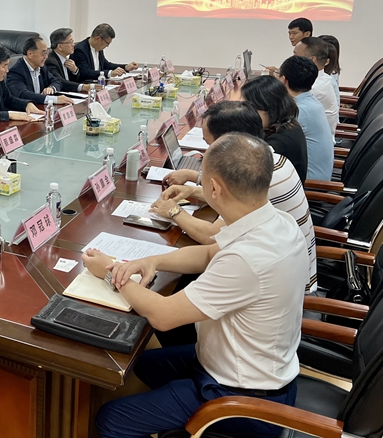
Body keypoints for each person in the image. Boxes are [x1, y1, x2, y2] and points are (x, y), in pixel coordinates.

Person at [85, 133, 309, 438]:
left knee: (111, 420)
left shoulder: (247, 259)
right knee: (141, 365)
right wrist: (152, 261)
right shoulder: (277, 221)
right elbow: (207, 253)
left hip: (241, 399)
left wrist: (111, 273)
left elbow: (163, 316)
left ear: (214, 188)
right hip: (253, 368)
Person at [151, 101, 316, 294]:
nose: (207, 152)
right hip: (285, 274)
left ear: (227, 144)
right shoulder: (269, 161)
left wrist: (173, 211)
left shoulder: (256, 177)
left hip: (282, 286)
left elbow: (211, 237)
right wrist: (193, 191)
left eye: (209, 144)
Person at [240, 75, 308, 184]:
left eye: (250, 109)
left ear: (269, 108)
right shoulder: (288, 124)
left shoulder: (278, 144)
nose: (247, 114)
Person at [279, 56, 334, 181]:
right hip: (315, 175)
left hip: (310, 183)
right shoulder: (311, 102)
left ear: (283, 80)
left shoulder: (299, 111)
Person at [6, 36, 74, 106]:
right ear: (30, 54)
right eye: (43, 53)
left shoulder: (41, 67)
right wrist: (53, 99)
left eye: (47, 53)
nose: (46, 57)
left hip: (41, 107)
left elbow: (57, 81)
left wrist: (52, 88)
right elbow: (23, 94)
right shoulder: (15, 72)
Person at [294, 37, 339, 135]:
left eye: (296, 55)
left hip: (310, 139)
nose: (292, 59)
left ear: (311, 59)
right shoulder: (322, 78)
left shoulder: (316, 88)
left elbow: (287, 107)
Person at [71, 23, 138, 81]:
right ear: (98, 39)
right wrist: (110, 73)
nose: (107, 46)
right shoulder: (80, 50)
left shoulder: (98, 47)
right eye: (107, 43)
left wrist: (125, 67)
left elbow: (106, 65)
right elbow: (85, 72)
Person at [45, 28, 102, 94]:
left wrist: (75, 71)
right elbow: (59, 81)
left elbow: (74, 81)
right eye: (70, 42)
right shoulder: (51, 61)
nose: (73, 45)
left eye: (73, 41)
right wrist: (83, 87)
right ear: (60, 46)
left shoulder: (67, 59)